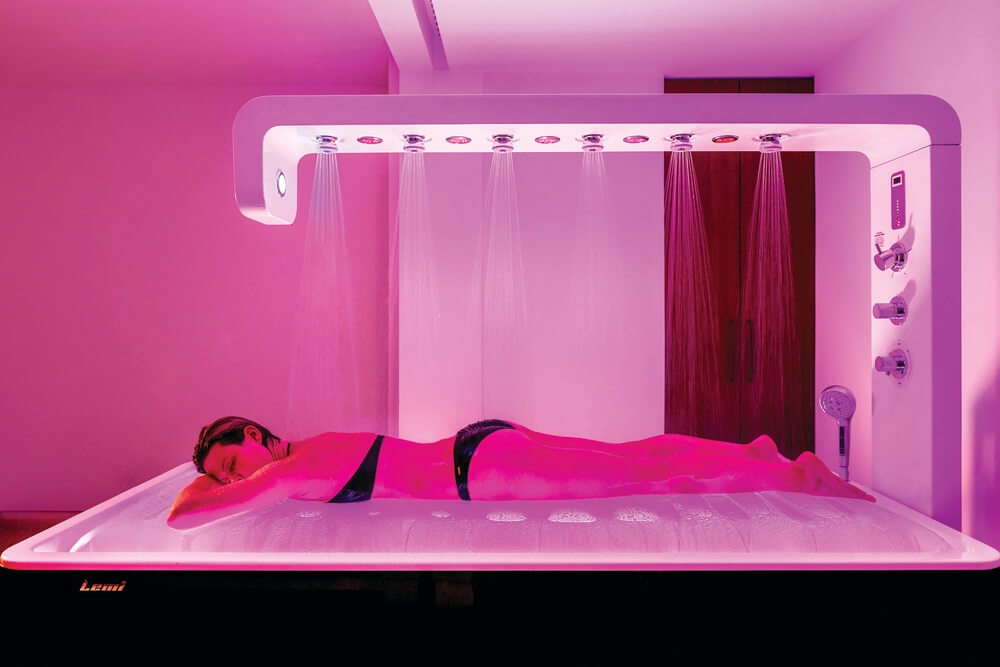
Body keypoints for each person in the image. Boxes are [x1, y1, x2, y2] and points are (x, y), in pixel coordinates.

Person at [167, 416, 874, 529]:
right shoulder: (314, 444)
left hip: (481, 474)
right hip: (483, 446)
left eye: (231, 463)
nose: (233, 481)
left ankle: (793, 477)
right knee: (633, 456)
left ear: (254, 437)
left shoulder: (291, 471)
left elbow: (184, 513)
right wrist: (212, 464)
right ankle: (757, 455)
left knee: (647, 478)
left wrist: (203, 478)